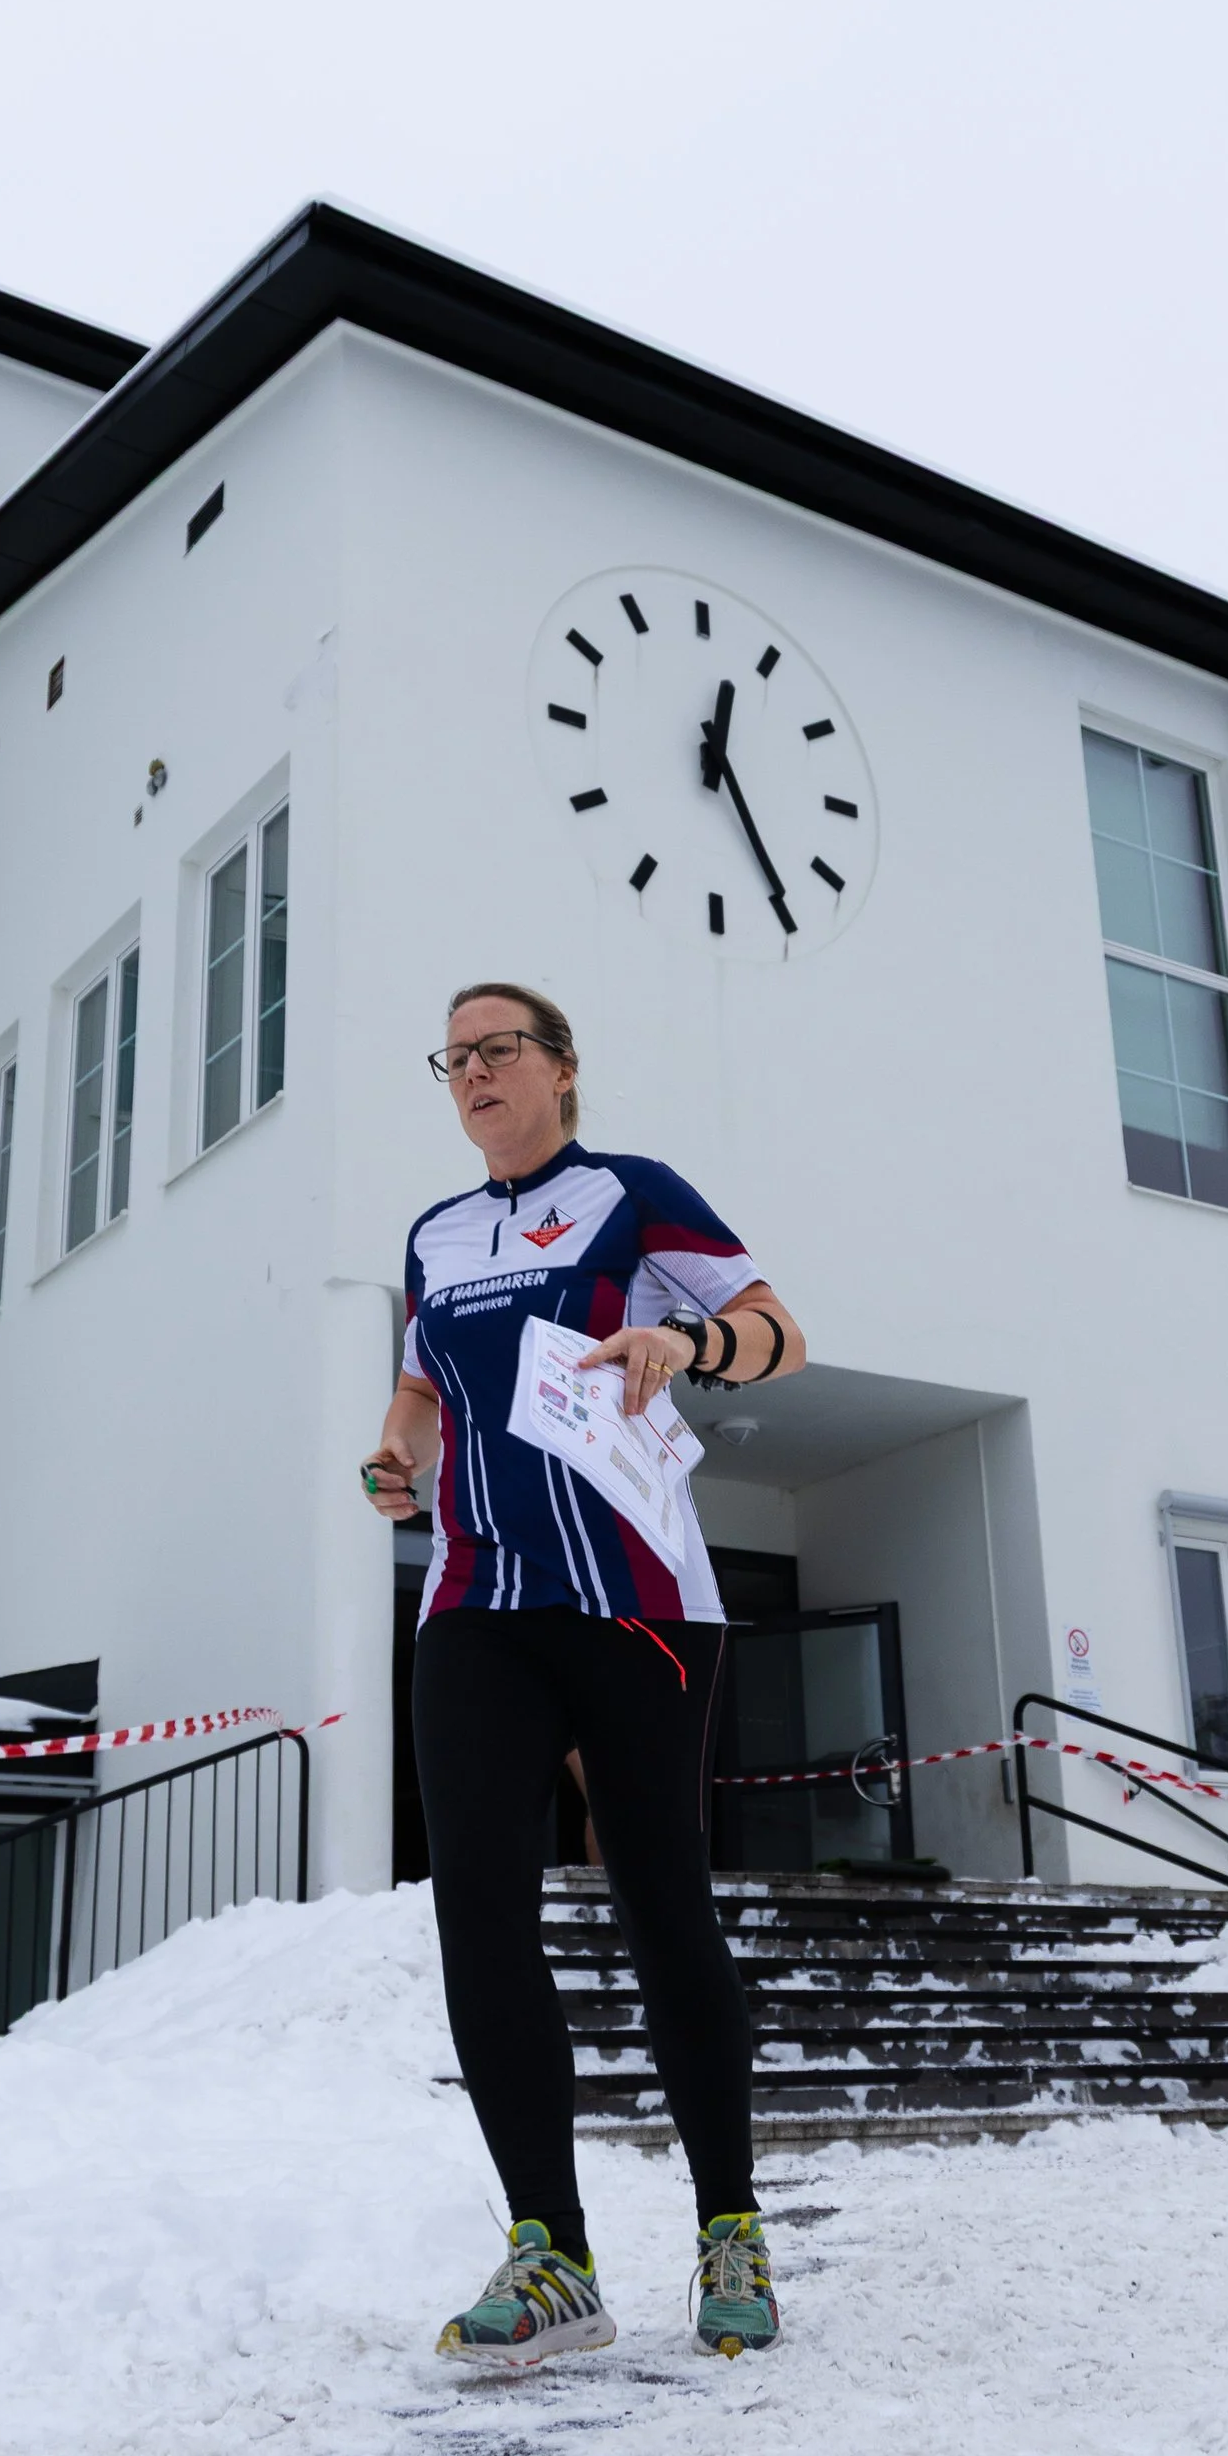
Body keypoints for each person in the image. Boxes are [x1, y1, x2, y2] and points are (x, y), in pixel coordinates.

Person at [361, 982, 807, 2370]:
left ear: (560, 1070)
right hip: (478, 1602)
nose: (475, 1071)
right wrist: (397, 1458)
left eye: (501, 1049)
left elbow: (780, 1330)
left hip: (639, 1604)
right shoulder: (437, 1235)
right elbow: (424, 1385)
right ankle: (550, 2252)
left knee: (662, 1899)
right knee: (479, 1911)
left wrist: (685, 1343)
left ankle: (730, 2227)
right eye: (456, 1056)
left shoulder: (630, 1195)